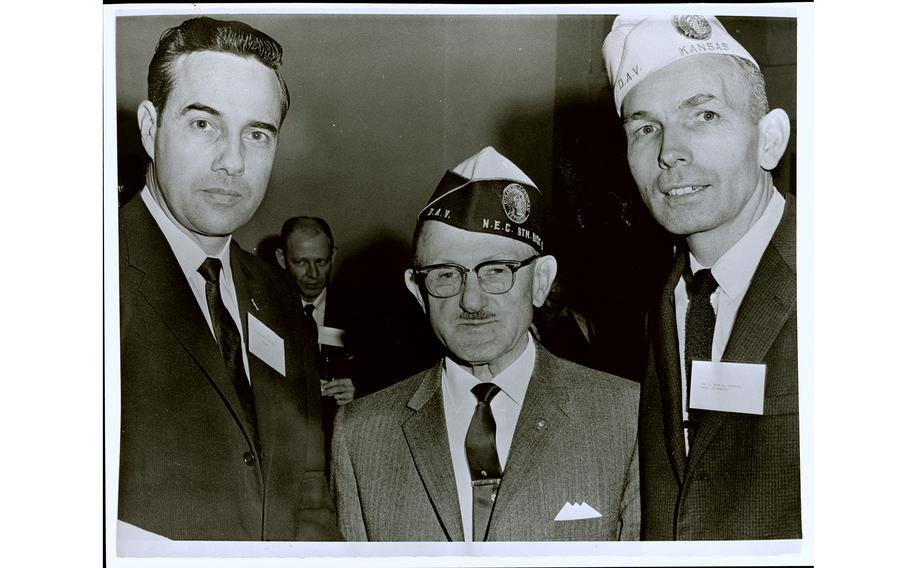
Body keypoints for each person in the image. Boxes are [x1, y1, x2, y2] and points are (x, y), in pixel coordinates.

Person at [331, 146, 640, 541]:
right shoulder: (362, 435)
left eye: (497, 271)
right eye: (446, 275)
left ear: (541, 281)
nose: (471, 301)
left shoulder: (623, 418)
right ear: (417, 290)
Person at [118, 16, 337, 540]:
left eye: (257, 134)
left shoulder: (280, 298)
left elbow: (309, 490)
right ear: (151, 128)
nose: (234, 162)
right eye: (203, 124)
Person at [603, 15, 800, 539]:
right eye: (645, 128)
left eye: (705, 115)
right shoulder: (662, 302)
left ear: (770, 140)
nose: (669, 152)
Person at [275, 217, 356, 455]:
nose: (313, 274)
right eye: (301, 262)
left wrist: (359, 393)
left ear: (334, 255)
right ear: (282, 258)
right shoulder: (265, 311)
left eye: (321, 261)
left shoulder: (360, 309)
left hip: (342, 441)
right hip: (288, 444)